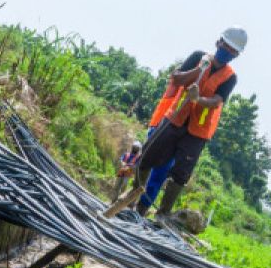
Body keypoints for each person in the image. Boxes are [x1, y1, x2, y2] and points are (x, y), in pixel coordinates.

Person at [104, 27, 247, 218]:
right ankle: (131, 197)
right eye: (226, 46)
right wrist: (199, 70)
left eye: (232, 51)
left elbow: (216, 102)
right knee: (147, 156)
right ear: (219, 42)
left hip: (197, 132)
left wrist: (198, 100)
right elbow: (176, 78)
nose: (227, 51)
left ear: (236, 54)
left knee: (180, 173)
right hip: (175, 118)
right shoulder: (198, 57)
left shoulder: (230, 77)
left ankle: (161, 214)